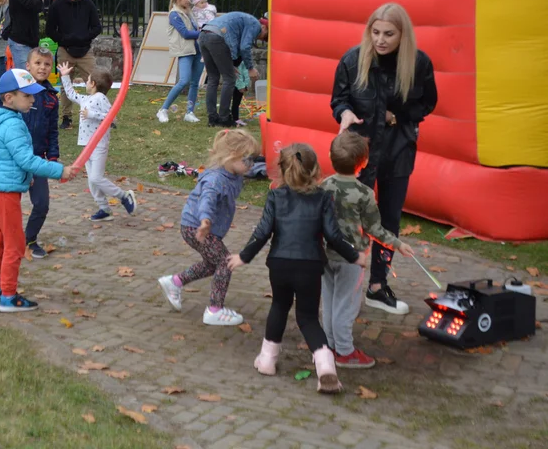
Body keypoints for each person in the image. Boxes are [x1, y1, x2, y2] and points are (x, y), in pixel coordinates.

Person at [227, 144, 367, 394]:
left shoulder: (275, 196)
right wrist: (354, 256)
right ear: (315, 172)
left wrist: (244, 256)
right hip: (310, 265)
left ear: (282, 171)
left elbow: (262, 232)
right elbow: (334, 236)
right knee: (308, 318)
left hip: (280, 263)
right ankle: (326, 368)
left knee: (279, 307)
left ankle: (267, 360)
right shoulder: (323, 198)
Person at [330, 2, 437, 315]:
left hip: (398, 149)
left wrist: (397, 115)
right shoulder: (353, 59)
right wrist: (345, 112)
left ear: (403, 34)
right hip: (359, 149)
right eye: (375, 32)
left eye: (389, 34)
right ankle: (342, 282)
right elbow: (339, 99)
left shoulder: (419, 63)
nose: (380, 39)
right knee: (349, 217)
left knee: (389, 219)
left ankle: (378, 287)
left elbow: (428, 103)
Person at [0, 67, 79, 313]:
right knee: (14, 245)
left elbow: (12, 160)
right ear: (9, 98)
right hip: (6, 193)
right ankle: (9, 297)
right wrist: (59, 171)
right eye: (28, 96)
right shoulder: (12, 124)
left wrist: (26, 178)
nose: (33, 100)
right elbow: (26, 159)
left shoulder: (0, 116)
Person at [321, 131, 415, 369]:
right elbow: (374, 228)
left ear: (331, 157)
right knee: (346, 305)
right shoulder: (364, 194)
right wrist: (397, 244)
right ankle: (344, 351)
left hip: (325, 255)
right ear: (363, 163)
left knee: (331, 301)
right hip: (351, 259)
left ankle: (330, 345)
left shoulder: (324, 186)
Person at [0, 46, 60, 258]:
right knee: (6, 202)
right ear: (27, 66)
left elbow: (52, 131)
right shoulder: (13, 91)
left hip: (36, 160)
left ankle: (29, 240)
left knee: (42, 204)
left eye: (47, 64)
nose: (42, 68)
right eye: (37, 63)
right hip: (13, 160)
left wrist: (53, 158)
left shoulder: (51, 98)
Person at [156, 128, 259, 327]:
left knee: (213, 264)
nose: (251, 164)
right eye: (247, 159)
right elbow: (207, 200)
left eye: (253, 159)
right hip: (198, 227)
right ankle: (214, 309)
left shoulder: (233, 173)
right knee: (225, 262)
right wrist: (205, 221)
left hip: (201, 227)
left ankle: (175, 282)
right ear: (230, 157)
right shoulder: (215, 179)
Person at [59, 62, 136, 221]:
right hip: (87, 145)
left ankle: (124, 196)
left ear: (93, 84)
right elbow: (71, 94)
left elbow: (112, 118)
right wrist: (65, 76)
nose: (86, 83)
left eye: (87, 81)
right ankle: (104, 209)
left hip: (99, 144)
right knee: (92, 181)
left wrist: (92, 114)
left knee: (96, 178)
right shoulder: (87, 99)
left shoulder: (100, 99)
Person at [46, 0, 102, 130]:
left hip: (85, 51)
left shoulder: (88, 4)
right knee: (66, 85)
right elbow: (50, 29)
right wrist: (63, 39)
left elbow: (97, 27)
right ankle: (66, 118)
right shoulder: (57, 5)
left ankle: (97, 114)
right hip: (65, 50)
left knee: (95, 82)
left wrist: (85, 37)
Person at [198, 11, 267, 127]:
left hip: (204, 35)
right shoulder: (255, 24)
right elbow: (244, 47)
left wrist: (231, 63)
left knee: (213, 79)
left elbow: (234, 39)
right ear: (264, 27)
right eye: (265, 37)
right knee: (229, 79)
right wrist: (250, 68)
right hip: (217, 37)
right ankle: (224, 118)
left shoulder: (245, 19)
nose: (262, 39)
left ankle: (212, 118)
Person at [157, 0, 203, 124]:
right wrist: (204, 33)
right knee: (184, 81)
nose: (189, 0)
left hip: (198, 51)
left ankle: (190, 112)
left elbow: (195, 28)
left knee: (195, 83)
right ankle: (163, 109)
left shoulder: (189, 12)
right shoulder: (174, 14)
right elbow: (185, 33)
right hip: (185, 51)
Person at [3, 0, 47, 67]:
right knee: (25, 76)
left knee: (31, 75)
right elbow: (37, 6)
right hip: (21, 42)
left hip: (28, 41)